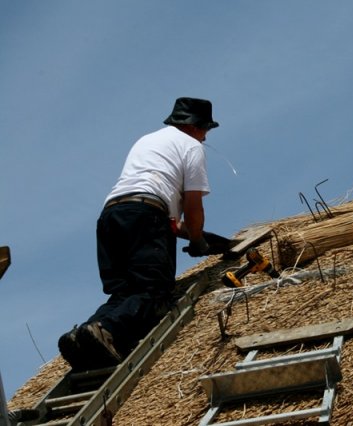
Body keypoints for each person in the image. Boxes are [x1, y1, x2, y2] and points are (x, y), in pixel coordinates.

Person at [58, 97, 231, 371]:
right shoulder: (191, 147)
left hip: (112, 216)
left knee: (124, 292)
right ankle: (108, 329)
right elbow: (193, 206)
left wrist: (197, 236)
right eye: (206, 129)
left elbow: (169, 220)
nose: (206, 136)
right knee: (153, 289)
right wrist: (198, 241)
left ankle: (83, 336)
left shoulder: (148, 141)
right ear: (197, 127)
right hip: (147, 214)